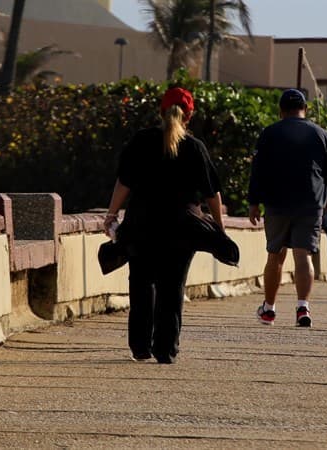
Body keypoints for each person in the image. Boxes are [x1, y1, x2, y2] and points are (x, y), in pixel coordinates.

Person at [103, 87, 226, 364]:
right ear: (190, 115)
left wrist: (111, 215)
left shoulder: (141, 141)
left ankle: (140, 346)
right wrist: (219, 227)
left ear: (160, 112)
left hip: (141, 224)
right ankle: (165, 349)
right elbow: (211, 193)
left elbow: (124, 182)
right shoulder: (195, 148)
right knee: (172, 287)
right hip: (182, 228)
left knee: (141, 284)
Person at [248, 89, 327, 327]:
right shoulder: (322, 135)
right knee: (303, 256)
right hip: (310, 203)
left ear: (281, 111)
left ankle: (269, 309)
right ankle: (303, 307)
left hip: (277, 202)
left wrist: (253, 202)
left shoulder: (270, 133)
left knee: (275, 255)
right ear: (306, 109)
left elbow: (257, 170)